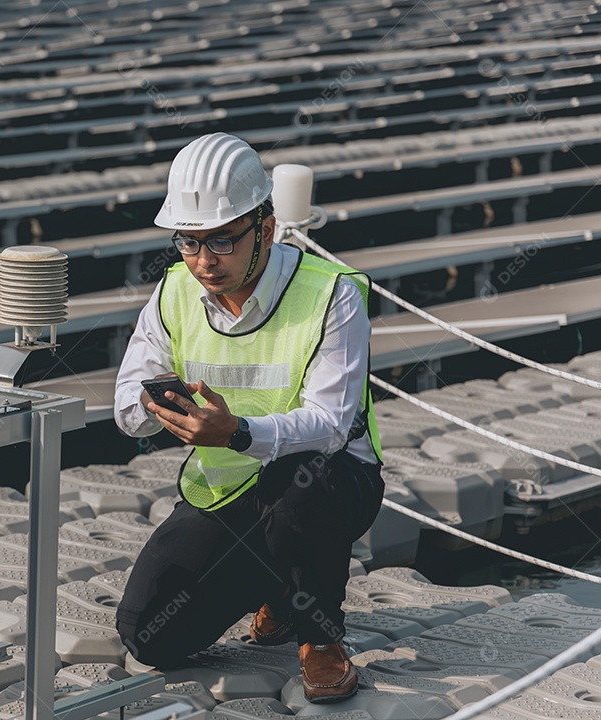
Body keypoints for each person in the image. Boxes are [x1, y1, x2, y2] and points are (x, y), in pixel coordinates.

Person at [112, 133, 385, 704]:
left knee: (296, 479)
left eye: (221, 241)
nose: (203, 261)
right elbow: (125, 413)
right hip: (230, 491)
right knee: (150, 634)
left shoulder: (332, 295)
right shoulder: (173, 293)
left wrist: (237, 432)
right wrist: (159, 409)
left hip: (331, 484)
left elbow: (332, 425)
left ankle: (321, 637)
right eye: (188, 242)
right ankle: (282, 587)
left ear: (264, 227)